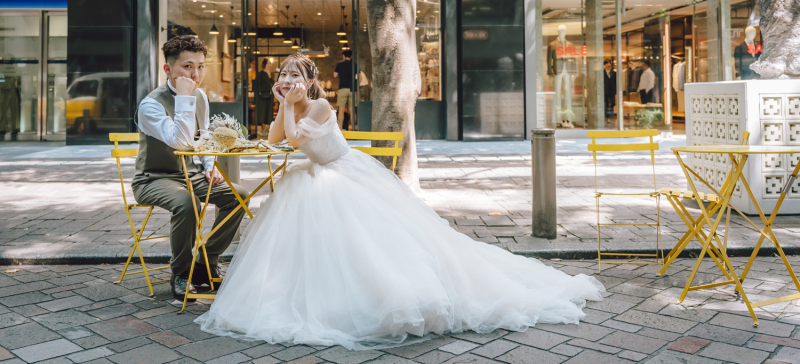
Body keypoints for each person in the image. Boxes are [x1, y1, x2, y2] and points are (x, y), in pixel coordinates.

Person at [195, 53, 604, 350]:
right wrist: (282, 103)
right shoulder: (291, 104)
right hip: (310, 178)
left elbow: (296, 139)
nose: (287, 79)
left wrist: (288, 104)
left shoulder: (318, 105)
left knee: (370, 245)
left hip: (342, 174)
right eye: (283, 73)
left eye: (295, 74)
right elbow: (274, 139)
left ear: (311, 80)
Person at [133, 36, 250, 300]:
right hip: (153, 178)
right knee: (188, 202)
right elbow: (182, 141)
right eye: (187, 67)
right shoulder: (151, 104)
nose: (195, 75)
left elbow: (203, 137)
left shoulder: (200, 97)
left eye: (200, 66)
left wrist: (210, 165)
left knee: (239, 196)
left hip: (191, 174)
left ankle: (204, 263)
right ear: (168, 69)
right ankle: (182, 273)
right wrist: (184, 97)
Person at [333, 50, 353, 130]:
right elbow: (360, 76)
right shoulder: (354, 64)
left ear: (343, 56)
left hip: (342, 89)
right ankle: (353, 130)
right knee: (352, 111)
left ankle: (340, 129)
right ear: (351, 56)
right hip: (352, 89)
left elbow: (335, 75)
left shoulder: (340, 64)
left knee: (341, 110)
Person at [254, 59, 274, 138]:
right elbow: (257, 85)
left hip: (269, 96)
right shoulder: (261, 74)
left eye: (270, 63)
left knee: (268, 111)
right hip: (262, 96)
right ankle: (263, 129)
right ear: (264, 65)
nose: (269, 65)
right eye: (268, 63)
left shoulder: (271, 74)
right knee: (262, 112)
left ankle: (268, 129)